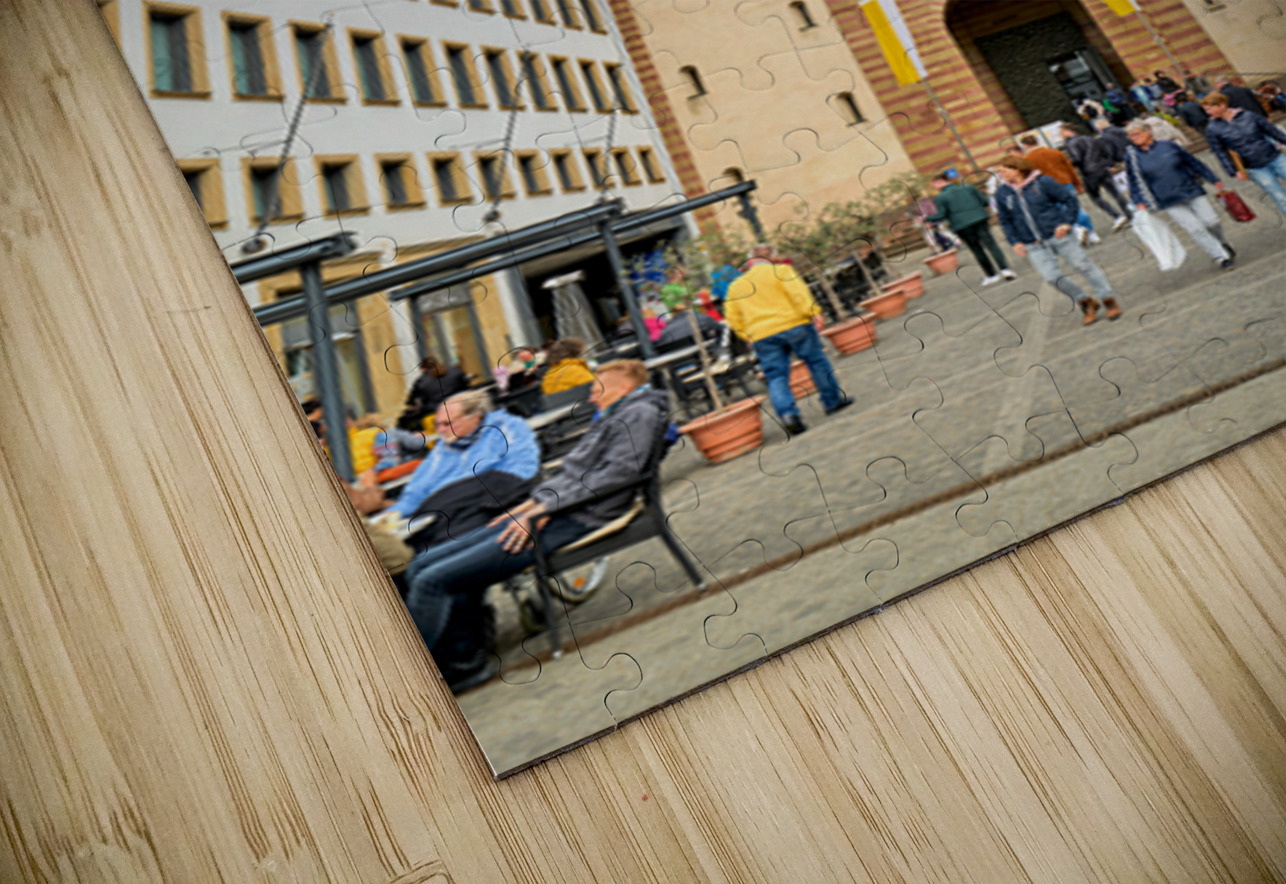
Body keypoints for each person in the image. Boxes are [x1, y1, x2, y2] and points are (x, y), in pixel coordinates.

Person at [400, 360, 669, 687]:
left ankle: (414, 676)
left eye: (597, 389)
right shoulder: (619, 415)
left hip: (576, 517)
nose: (592, 397)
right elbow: (573, 475)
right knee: (421, 565)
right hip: (551, 512)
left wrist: (538, 511)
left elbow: (617, 475)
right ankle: (457, 657)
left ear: (623, 388)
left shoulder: (638, 415)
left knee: (431, 579)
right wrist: (531, 504)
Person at [724, 244, 850, 435]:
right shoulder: (782, 271)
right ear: (774, 258)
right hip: (794, 324)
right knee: (816, 361)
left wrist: (746, 334)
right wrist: (814, 312)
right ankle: (832, 401)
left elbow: (733, 317)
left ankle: (788, 415)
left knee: (776, 375)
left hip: (762, 334)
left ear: (750, 262)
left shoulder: (736, 286)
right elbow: (799, 295)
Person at [994, 156, 1122, 325]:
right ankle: (1085, 301)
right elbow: (1005, 220)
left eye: (1004, 170)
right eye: (999, 172)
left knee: (1083, 266)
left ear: (1017, 168)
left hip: (1058, 235)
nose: (1001, 175)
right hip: (1033, 242)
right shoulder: (1003, 193)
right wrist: (1014, 241)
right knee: (1051, 277)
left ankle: (1107, 299)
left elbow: (1069, 200)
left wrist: (1066, 223)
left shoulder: (1043, 182)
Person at [384, 393, 541, 520]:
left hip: (491, 509)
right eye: (437, 424)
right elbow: (418, 488)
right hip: (444, 515)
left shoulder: (506, 428)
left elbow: (522, 470)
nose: (440, 430)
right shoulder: (443, 448)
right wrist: (395, 513)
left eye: (447, 424)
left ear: (475, 417)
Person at [1123, 121, 1235, 270]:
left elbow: (1193, 163)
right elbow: (1133, 181)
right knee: (1195, 228)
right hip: (1167, 199)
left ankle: (1221, 241)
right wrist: (1138, 200)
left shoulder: (1168, 146)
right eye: (1131, 136)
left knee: (1211, 221)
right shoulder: (1132, 157)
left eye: (1136, 134)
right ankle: (1220, 256)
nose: (1133, 138)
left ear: (1148, 132)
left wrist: (1213, 179)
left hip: (1190, 189)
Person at [1202, 92, 1286, 217]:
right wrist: (1233, 170)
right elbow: (1220, 152)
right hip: (1254, 167)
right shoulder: (1212, 129)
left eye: (1210, 109)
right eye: (1206, 110)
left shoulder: (1248, 115)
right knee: (1279, 196)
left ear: (1222, 105)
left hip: (1274, 157)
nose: (1208, 113)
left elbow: (1271, 130)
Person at [924, 172, 1016, 285]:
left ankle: (991, 275)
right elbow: (984, 202)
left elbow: (941, 215)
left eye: (934, 184)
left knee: (977, 250)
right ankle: (1005, 270)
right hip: (979, 219)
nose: (934, 187)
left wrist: (926, 218)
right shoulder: (969, 188)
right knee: (992, 245)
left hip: (961, 225)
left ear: (939, 183)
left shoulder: (940, 197)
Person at [1019, 134, 1100, 245]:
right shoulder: (1054, 152)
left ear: (1025, 145)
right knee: (1076, 207)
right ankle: (1092, 233)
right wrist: (1077, 183)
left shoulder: (1027, 160)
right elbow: (1069, 168)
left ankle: (1078, 229)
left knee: (1062, 211)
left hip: (1048, 188)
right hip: (1065, 181)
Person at [1061, 123, 1133, 229]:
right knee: (1115, 193)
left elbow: (1077, 159)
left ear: (1068, 131)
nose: (1061, 135)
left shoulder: (1071, 143)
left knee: (1095, 197)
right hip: (1102, 168)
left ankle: (1116, 215)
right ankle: (1130, 214)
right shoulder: (1090, 138)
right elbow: (1104, 151)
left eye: (1061, 132)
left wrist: (1070, 164)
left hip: (1089, 172)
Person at [400, 357, 468, 432]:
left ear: (424, 369)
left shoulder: (421, 381)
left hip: (435, 412)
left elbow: (410, 401)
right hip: (460, 406)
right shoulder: (455, 372)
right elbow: (466, 387)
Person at [656, 301, 722, 346]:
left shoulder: (666, 330)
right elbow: (720, 329)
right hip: (709, 353)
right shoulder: (702, 318)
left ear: (673, 314)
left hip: (682, 362)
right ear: (689, 310)